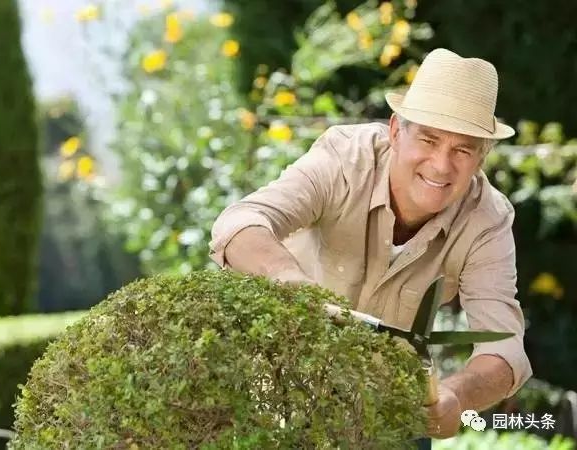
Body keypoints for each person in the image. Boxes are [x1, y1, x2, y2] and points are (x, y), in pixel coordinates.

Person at [208, 48, 532, 444]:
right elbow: (239, 223)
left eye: (462, 149)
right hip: (284, 391)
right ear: (396, 131)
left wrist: (458, 396)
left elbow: (505, 349)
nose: (441, 165)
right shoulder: (345, 159)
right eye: (428, 140)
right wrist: (291, 282)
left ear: (482, 156)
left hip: (390, 412)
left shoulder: (489, 220)